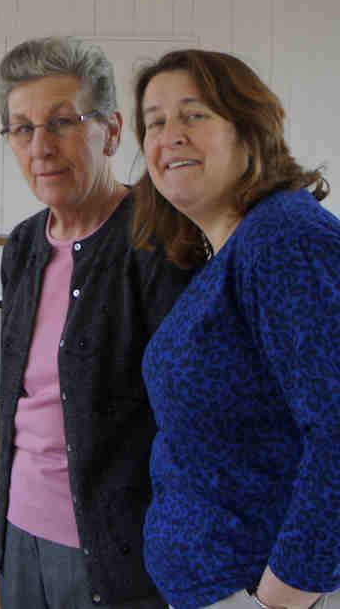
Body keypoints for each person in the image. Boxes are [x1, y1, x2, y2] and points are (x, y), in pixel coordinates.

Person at [133, 49, 340, 609]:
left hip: (261, 591)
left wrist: (280, 598)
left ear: (250, 131)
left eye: (194, 114)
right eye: (155, 122)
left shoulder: (285, 239)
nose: (170, 135)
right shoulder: (235, 249)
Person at [0, 36, 193, 609]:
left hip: (116, 552)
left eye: (62, 122)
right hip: (20, 528)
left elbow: (185, 422)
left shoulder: (160, 242)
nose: (40, 147)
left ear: (111, 130)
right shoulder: (26, 243)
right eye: (21, 129)